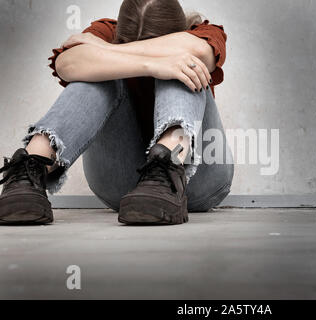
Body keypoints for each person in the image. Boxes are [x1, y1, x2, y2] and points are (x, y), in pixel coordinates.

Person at [0, 0, 234, 225]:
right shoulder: (105, 30)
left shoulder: (203, 32)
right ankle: (30, 169)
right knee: (94, 71)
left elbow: (201, 52)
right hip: (122, 186)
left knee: (184, 66)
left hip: (201, 181)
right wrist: (152, 64)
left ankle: (167, 168)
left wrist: (109, 50)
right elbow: (66, 65)